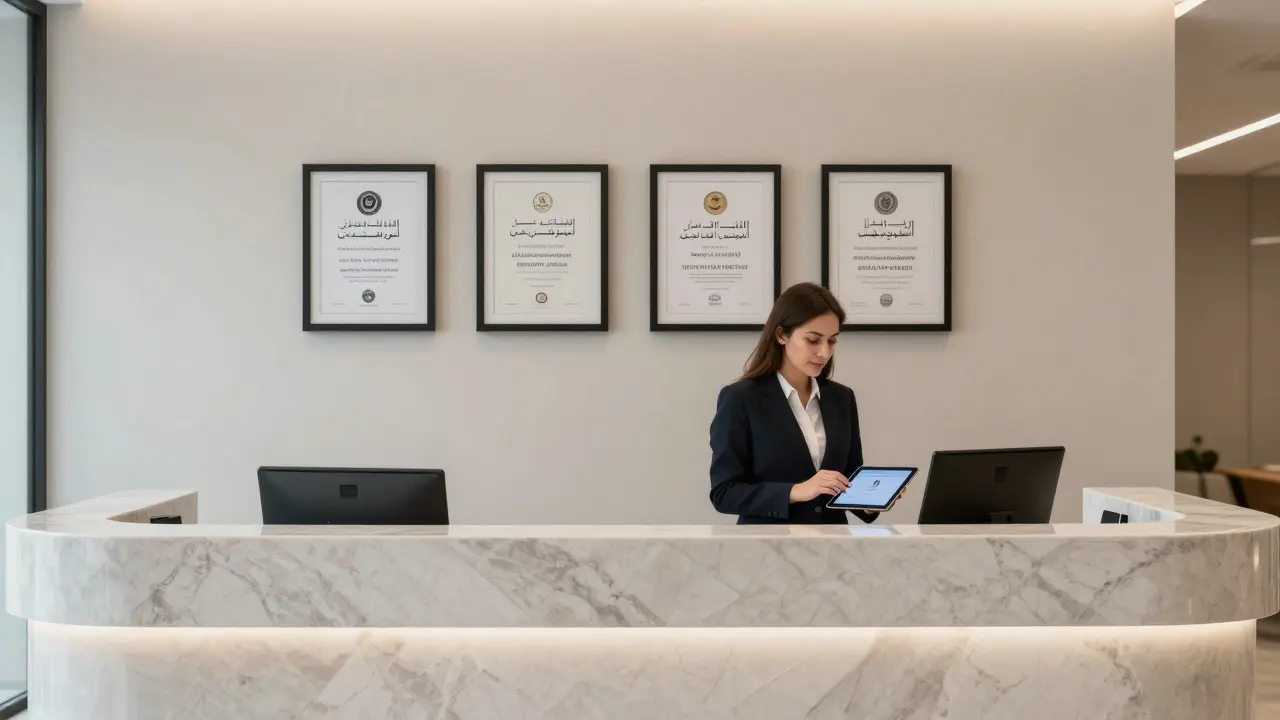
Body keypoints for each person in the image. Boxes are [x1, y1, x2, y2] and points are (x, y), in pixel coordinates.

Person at [708, 282, 887, 525]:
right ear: (781, 335)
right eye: (813, 340)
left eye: (832, 341)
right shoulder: (741, 398)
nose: (824, 352)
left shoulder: (841, 398)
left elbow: (847, 479)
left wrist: (871, 502)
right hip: (768, 550)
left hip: (834, 549)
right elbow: (724, 493)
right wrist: (796, 491)